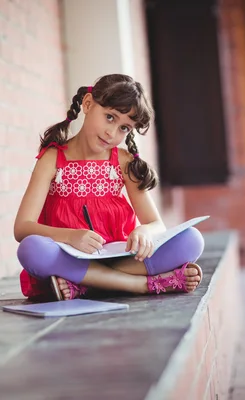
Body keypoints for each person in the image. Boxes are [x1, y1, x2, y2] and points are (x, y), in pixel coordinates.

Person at [14, 74, 204, 301]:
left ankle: (87, 285)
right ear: (87, 104)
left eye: (124, 127)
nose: (112, 133)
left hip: (118, 258)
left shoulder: (123, 162)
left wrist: (144, 231)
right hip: (70, 258)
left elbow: (156, 224)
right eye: (110, 117)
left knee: (192, 240)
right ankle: (143, 285)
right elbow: (22, 228)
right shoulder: (52, 159)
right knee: (31, 250)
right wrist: (71, 236)